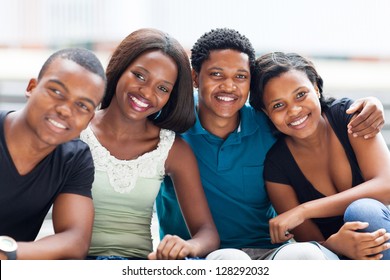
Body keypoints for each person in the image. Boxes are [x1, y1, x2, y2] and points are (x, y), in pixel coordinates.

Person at [156, 28, 386, 260]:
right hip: (199, 255)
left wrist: (371, 104)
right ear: (195, 77)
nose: (228, 86)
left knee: (358, 215)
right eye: (216, 74)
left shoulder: (275, 126)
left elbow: (385, 186)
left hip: (268, 251)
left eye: (240, 76)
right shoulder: (170, 124)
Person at [80, 28, 221, 260]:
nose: (146, 92)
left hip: (140, 266)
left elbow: (207, 234)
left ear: (170, 97)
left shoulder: (172, 149)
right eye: (139, 76)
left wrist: (187, 247)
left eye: (163, 88)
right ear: (120, 68)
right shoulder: (76, 130)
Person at [250, 51, 390, 260]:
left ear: (315, 88)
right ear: (266, 112)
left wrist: (304, 210)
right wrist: (337, 245)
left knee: (363, 212)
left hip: (382, 231)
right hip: (338, 258)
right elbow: (310, 244)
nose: (294, 110)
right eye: (278, 105)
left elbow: (386, 186)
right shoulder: (276, 167)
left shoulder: (349, 117)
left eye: (300, 94)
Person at [0, 48, 107, 260]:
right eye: (56, 92)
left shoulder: (74, 157)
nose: (66, 110)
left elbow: (75, 241)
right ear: (32, 87)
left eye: (82, 105)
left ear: (89, 119)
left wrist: (6, 253)